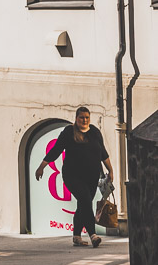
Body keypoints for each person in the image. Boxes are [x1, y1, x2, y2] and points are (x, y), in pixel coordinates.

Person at [35, 106, 113, 247]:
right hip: (73, 176)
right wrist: (42, 166)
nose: (84, 120)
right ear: (76, 118)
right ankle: (93, 235)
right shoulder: (68, 132)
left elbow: (103, 153)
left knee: (83, 204)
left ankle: (76, 236)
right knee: (86, 200)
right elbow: (56, 150)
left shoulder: (95, 132)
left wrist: (110, 170)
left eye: (87, 117)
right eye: (81, 117)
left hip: (92, 177)